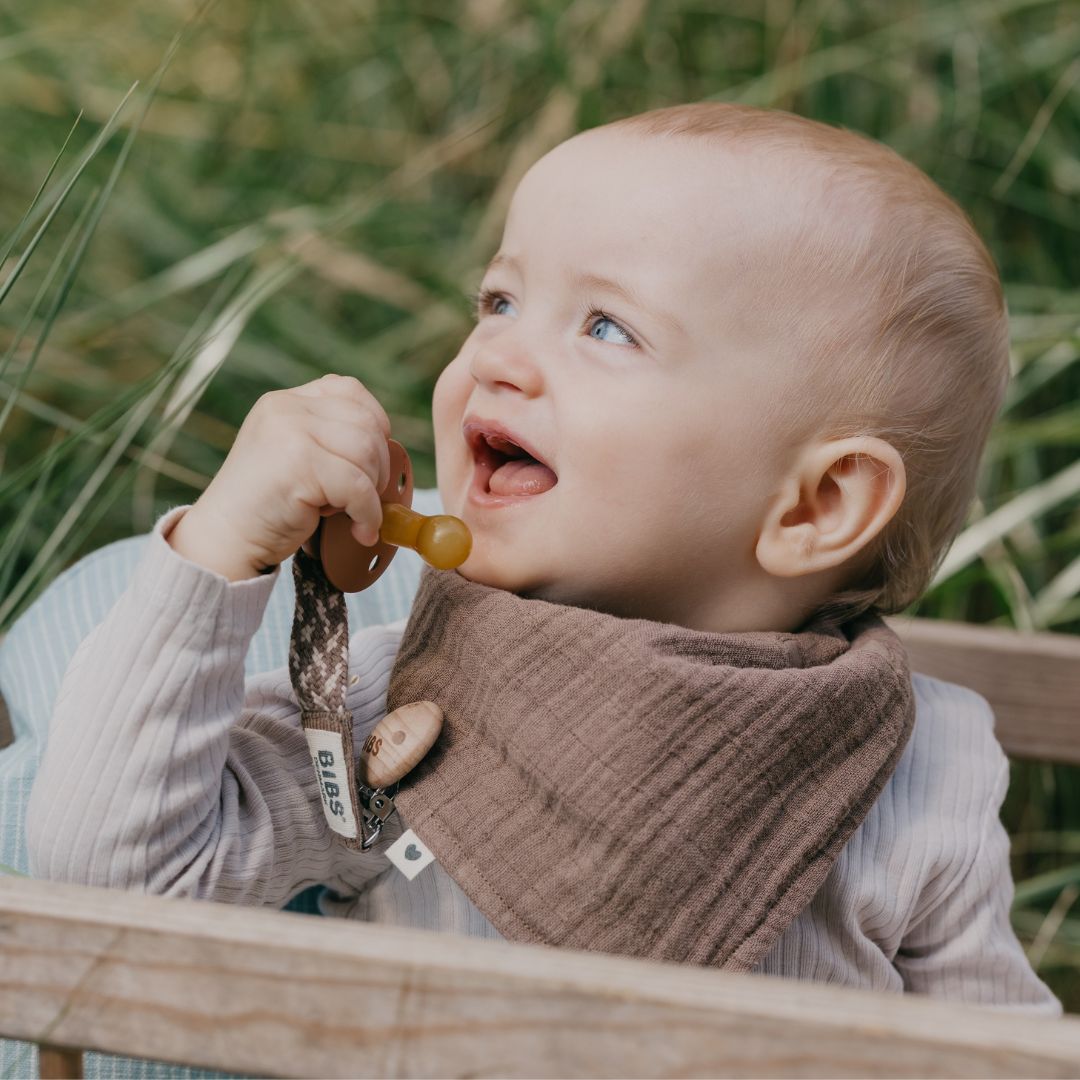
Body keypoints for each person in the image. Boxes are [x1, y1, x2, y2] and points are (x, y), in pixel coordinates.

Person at [24, 102, 1063, 1013]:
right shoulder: (412, 705)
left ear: (818, 507)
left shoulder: (919, 762)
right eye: (499, 302)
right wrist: (220, 548)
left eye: (607, 327)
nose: (496, 356)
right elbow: (114, 873)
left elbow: (994, 1051)